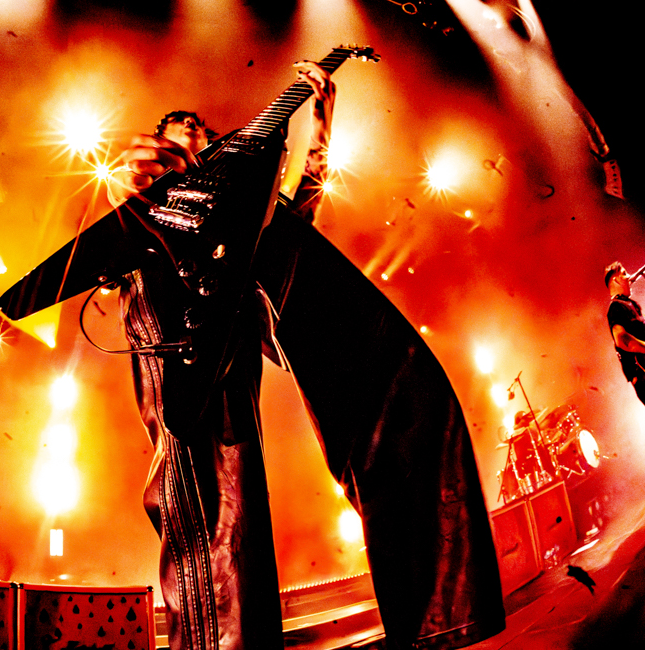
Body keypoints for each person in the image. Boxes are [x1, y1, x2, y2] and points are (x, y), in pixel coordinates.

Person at [108, 62, 504, 650]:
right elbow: (118, 230)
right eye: (180, 125)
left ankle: (436, 609)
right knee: (214, 486)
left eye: (199, 125)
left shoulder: (240, 195)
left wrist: (321, 127)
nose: (192, 127)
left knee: (402, 389)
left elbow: (297, 216)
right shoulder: (151, 180)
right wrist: (130, 193)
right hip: (175, 296)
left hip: (244, 290)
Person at [605, 262, 645, 404]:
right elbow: (621, 339)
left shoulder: (632, 305)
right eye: (624, 273)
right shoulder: (616, 307)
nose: (629, 276)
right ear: (616, 280)